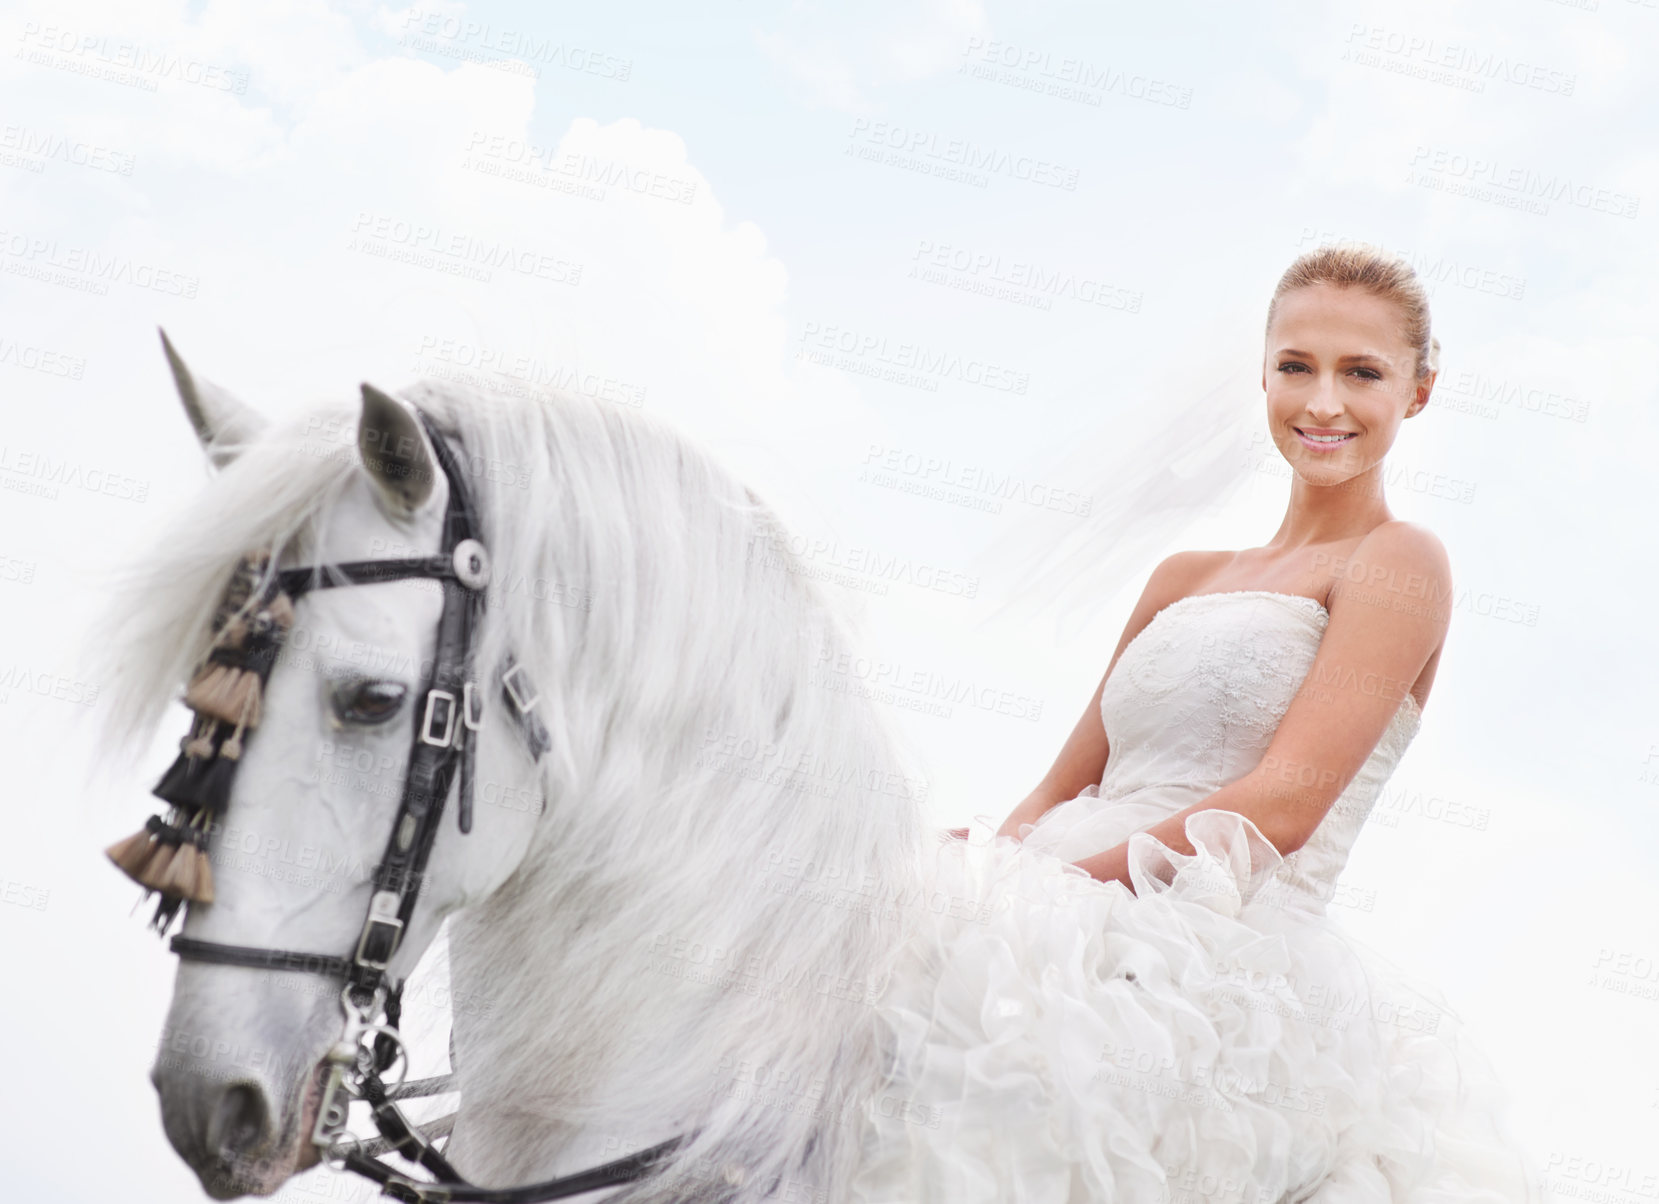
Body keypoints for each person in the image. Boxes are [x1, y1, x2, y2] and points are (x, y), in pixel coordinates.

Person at [859, 244, 1550, 1202]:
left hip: (1212, 952)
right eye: (1295, 366)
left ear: (1419, 392)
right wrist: (980, 875)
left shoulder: (1400, 561)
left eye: (1362, 373)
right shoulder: (1181, 579)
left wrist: (1043, 892)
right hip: (1050, 902)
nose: (1321, 403)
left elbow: (1281, 806)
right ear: (1262, 373)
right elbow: (1067, 784)